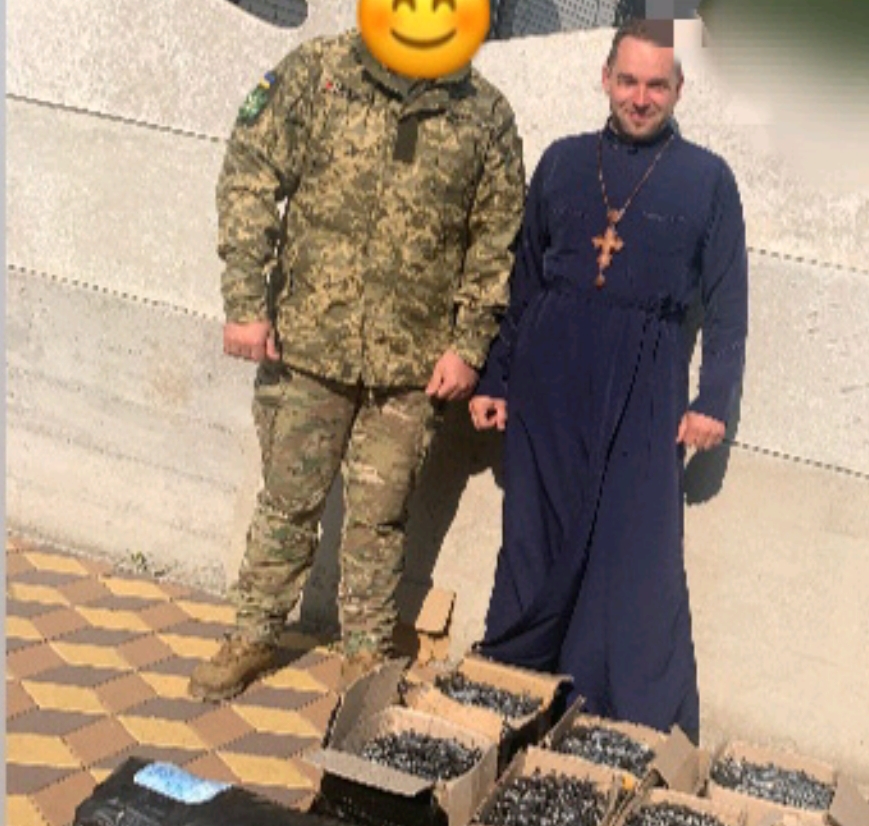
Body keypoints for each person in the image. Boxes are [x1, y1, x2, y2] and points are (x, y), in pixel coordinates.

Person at [189, 28, 525, 702]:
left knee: (380, 517)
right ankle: (254, 633)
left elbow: (496, 242)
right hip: (307, 344)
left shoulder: (482, 112)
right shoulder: (319, 72)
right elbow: (250, 174)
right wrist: (245, 302)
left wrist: (468, 346)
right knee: (287, 502)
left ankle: (364, 654)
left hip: (410, 365)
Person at [469, 19, 747, 740]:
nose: (640, 97)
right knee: (535, 538)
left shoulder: (708, 179)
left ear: (678, 90)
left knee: (635, 555)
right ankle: (513, 693)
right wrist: (496, 377)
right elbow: (523, 280)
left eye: (656, 85)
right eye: (627, 81)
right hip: (549, 377)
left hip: (646, 381)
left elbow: (727, 306)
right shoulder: (563, 161)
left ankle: (618, 721)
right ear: (604, 79)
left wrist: (712, 399)